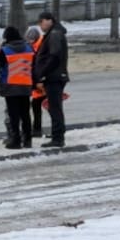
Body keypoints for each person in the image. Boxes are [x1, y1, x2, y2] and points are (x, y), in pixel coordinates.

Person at [0, 27, 35, 149]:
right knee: (25, 114)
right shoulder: (30, 48)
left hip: (11, 87)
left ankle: (16, 141)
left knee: (14, 116)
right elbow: (35, 66)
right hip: (26, 85)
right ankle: (28, 140)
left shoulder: (5, 50)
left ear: (7, 38)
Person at [33, 11, 69, 147]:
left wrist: (42, 72)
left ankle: (58, 138)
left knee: (54, 108)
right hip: (55, 75)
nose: (40, 26)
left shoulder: (54, 35)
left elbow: (54, 55)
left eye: (41, 22)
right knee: (54, 107)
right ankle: (58, 135)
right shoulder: (54, 33)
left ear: (48, 21)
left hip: (54, 77)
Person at [25, 26, 45, 138]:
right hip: (38, 81)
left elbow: (39, 65)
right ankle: (37, 129)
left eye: (32, 40)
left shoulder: (41, 47)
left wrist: (40, 81)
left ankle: (37, 129)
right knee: (37, 104)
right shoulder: (34, 46)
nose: (30, 42)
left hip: (42, 81)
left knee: (38, 104)